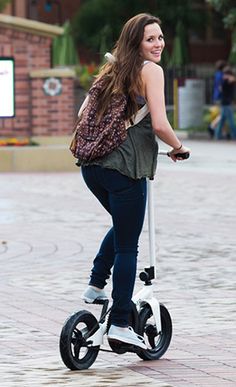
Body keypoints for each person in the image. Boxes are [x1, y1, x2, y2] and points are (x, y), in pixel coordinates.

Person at [79, 13, 190, 350]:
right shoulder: (150, 71)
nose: (158, 45)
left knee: (124, 225)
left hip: (92, 167)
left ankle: (96, 285)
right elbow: (159, 122)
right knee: (129, 245)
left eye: (159, 38)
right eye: (150, 39)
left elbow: (82, 115)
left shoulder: (113, 69)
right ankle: (122, 323)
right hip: (125, 168)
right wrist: (179, 147)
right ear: (137, 43)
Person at [215, 65, 236, 140]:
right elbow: (221, 89)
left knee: (222, 120)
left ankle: (217, 135)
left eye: (225, 74)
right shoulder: (225, 81)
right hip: (226, 103)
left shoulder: (228, 80)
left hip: (226, 102)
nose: (223, 75)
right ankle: (234, 135)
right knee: (231, 121)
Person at [208, 60, 226, 138]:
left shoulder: (217, 74)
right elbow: (220, 87)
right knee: (222, 114)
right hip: (220, 96)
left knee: (222, 114)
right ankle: (212, 126)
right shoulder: (221, 75)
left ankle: (220, 131)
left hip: (216, 96)